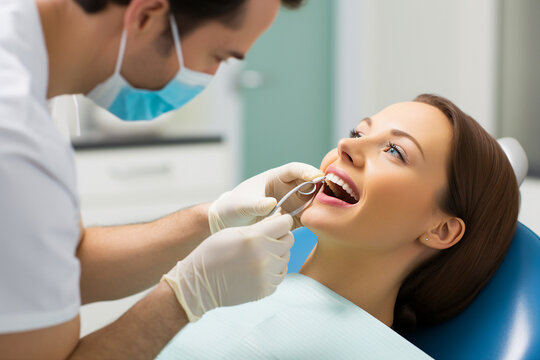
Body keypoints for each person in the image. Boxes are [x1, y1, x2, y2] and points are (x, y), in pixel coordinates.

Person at [0, 0, 327, 359]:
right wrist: (186, 297)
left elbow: (63, 264)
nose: (209, 76)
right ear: (146, 15)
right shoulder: (15, 142)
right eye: (217, 56)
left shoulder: (33, 66)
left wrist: (212, 220)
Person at [154, 94, 520, 359]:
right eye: (359, 133)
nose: (345, 145)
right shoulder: (230, 286)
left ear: (441, 230)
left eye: (394, 151)